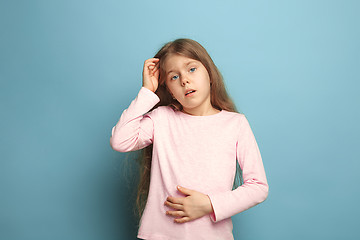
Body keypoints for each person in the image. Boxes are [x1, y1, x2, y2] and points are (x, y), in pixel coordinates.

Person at [110, 38, 269, 240]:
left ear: (210, 74)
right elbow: (120, 140)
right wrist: (147, 92)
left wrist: (209, 204)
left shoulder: (235, 124)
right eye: (174, 77)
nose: (184, 80)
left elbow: (258, 187)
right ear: (170, 91)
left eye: (191, 69)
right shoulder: (162, 119)